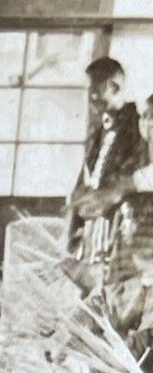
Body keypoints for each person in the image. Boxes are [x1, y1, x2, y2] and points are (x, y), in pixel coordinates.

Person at [71, 61, 146, 262]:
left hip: (124, 222)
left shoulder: (140, 127)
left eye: (92, 90)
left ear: (112, 87)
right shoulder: (101, 128)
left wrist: (108, 195)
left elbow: (137, 176)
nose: (88, 97)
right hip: (95, 225)